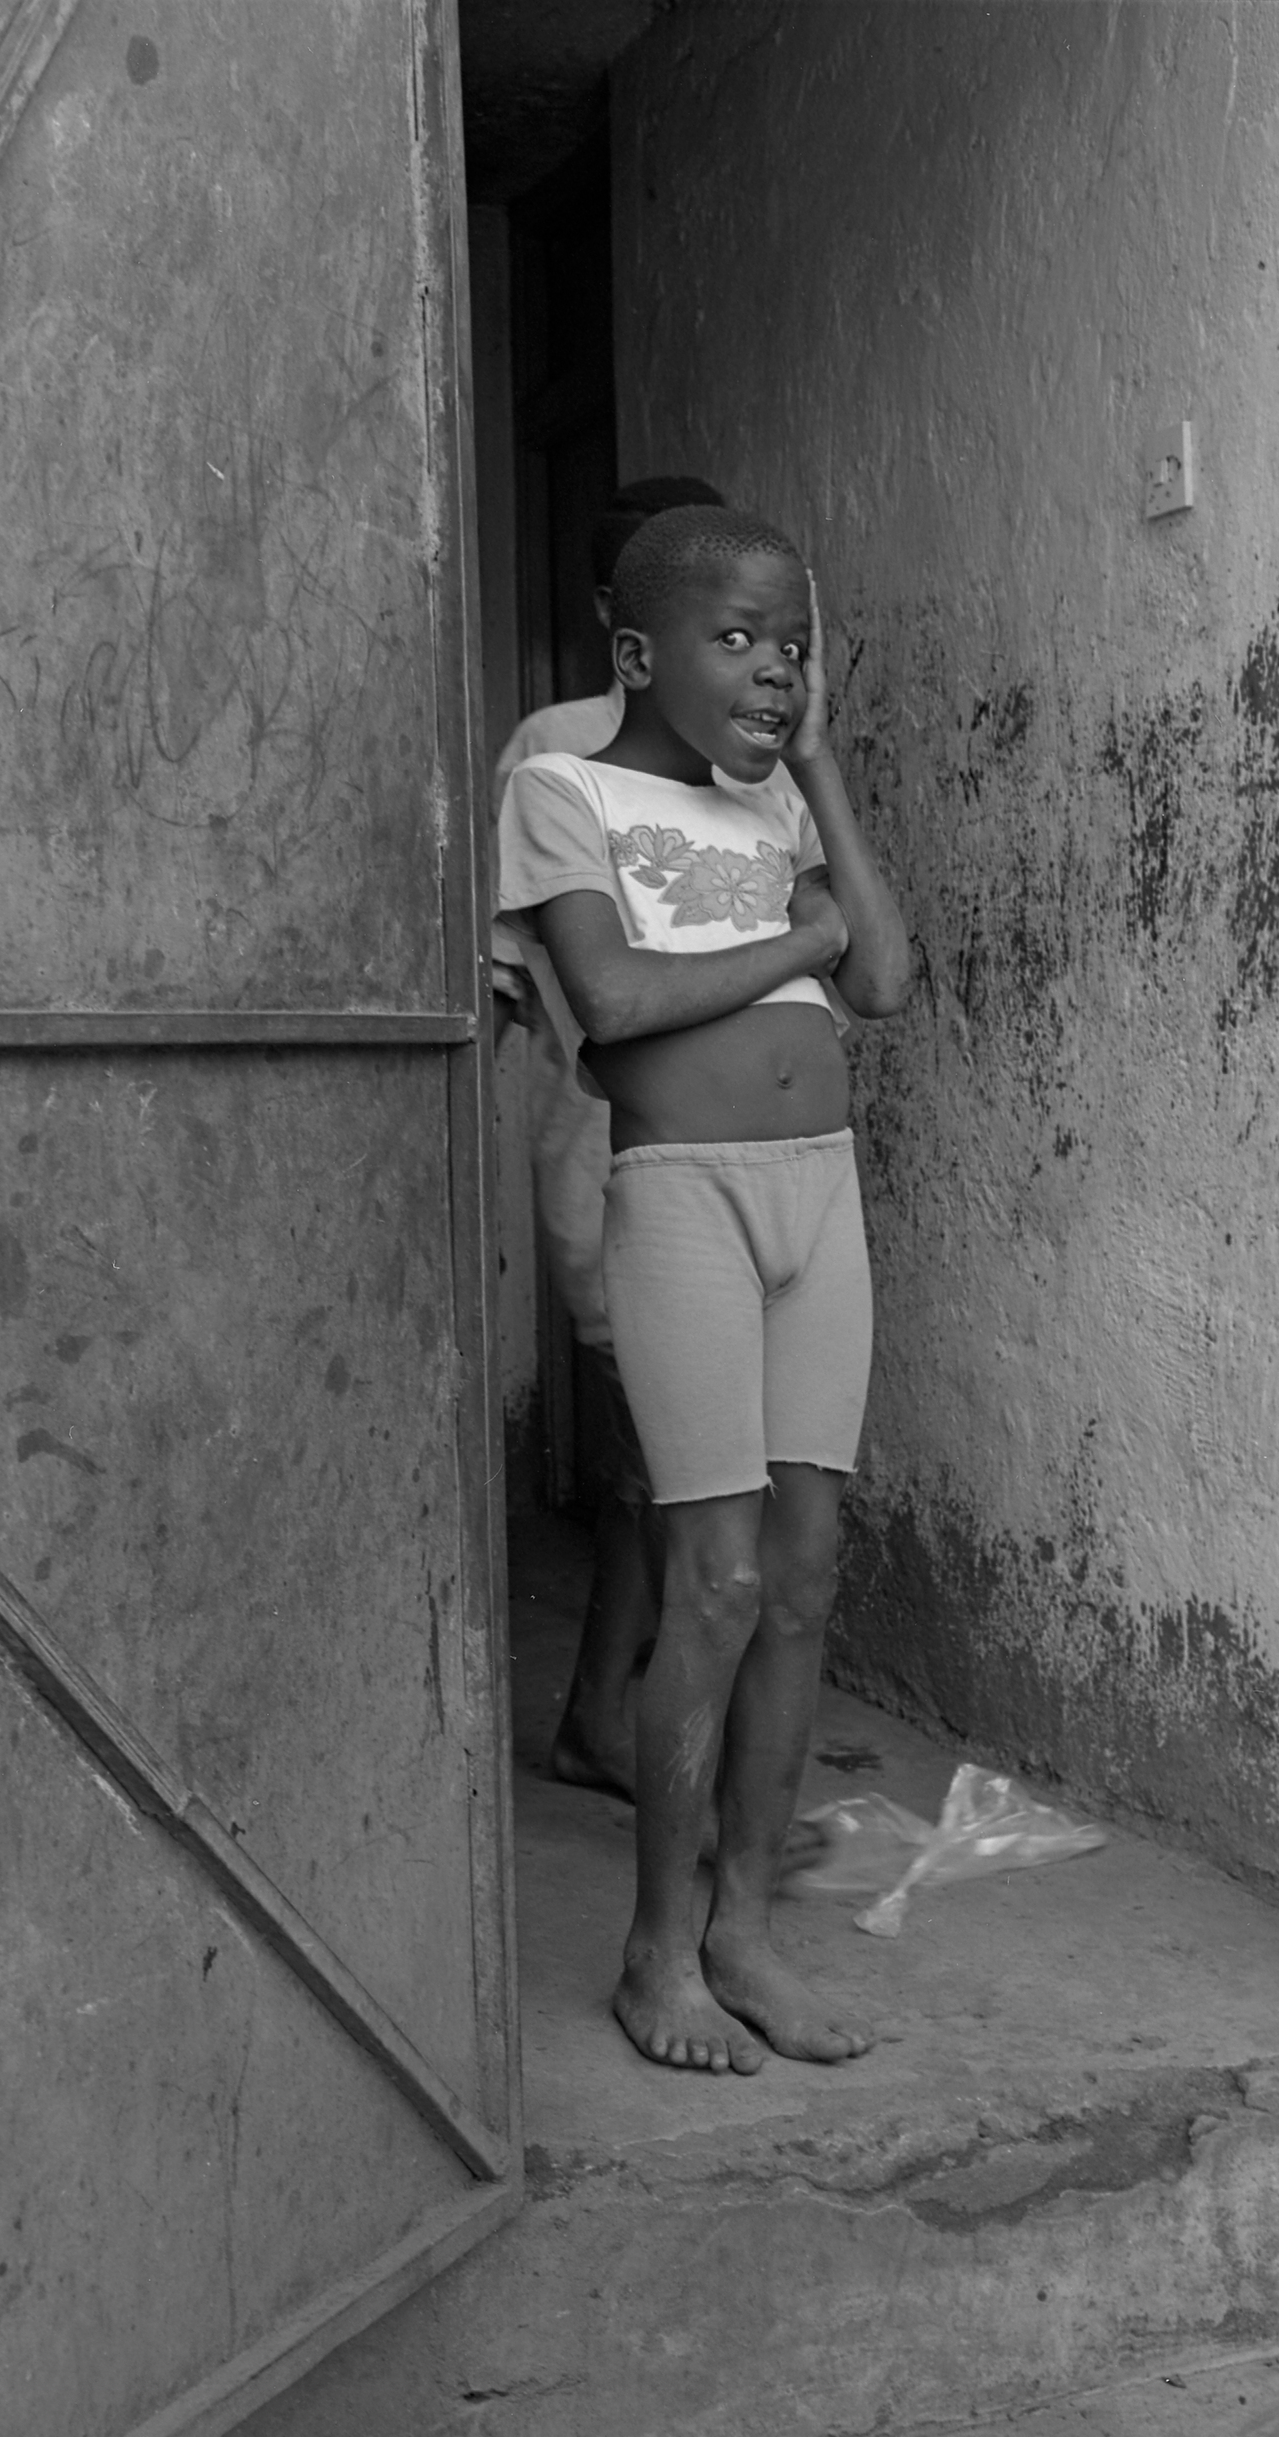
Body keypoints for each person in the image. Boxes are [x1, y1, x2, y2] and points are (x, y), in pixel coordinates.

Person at [496, 505, 912, 2074]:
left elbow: (878, 978)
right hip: (680, 1200)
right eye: (733, 640)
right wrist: (793, 934)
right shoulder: (563, 788)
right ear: (636, 654)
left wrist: (818, 777)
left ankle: (746, 1927)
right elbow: (611, 1000)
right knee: (719, 1584)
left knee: (805, 1581)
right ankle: (656, 1953)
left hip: (825, 1199)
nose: (767, 669)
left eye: (791, 644)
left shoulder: (781, 809)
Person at [491, 476, 726, 1797]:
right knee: (670, 1457)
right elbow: (518, 979)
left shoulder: (756, 737)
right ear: (608, 614)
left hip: (740, 1151)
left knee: (681, 1462)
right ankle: (619, 1722)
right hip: (611, 1143)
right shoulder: (557, 749)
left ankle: (610, 1714)